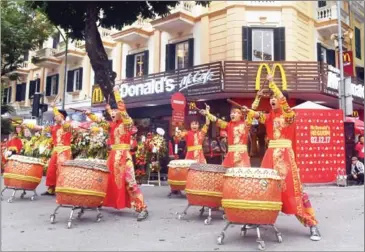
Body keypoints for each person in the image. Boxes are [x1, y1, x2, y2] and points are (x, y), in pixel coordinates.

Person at [247, 74, 321, 241]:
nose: (273, 99)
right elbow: (253, 116)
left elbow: (285, 106)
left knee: (294, 191)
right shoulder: (269, 117)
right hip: (269, 156)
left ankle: (312, 224)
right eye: (271, 97)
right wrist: (252, 106)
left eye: (276, 97)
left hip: (285, 158)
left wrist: (273, 83)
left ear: (283, 100)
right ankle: (257, 218)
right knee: (263, 187)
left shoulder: (290, 115)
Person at [85, 86, 148, 221]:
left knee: (130, 181)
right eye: (111, 111)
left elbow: (123, 110)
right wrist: (89, 114)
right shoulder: (111, 125)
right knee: (106, 181)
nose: (112, 113)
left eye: (115, 111)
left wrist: (116, 93)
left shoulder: (127, 123)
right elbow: (100, 121)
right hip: (113, 157)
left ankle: (142, 207)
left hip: (125, 157)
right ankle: (100, 202)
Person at [23, 103, 72, 196]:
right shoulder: (53, 127)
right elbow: (39, 128)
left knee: (62, 170)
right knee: (52, 170)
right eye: (55, 116)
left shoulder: (67, 126)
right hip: (56, 151)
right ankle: (51, 189)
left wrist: (54, 107)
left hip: (64, 151)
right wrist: (27, 124)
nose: (54, 118)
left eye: (56, 116)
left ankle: (62, 189)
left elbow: (59, 119)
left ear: (62, 117)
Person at [201, 104, 254, 168]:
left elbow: (251, 114)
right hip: (230, 155)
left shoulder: (246, 124)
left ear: (240, 114)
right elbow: (217, 120)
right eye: (231, 113)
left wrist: (247, 110)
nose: (232, 114)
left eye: (234, 113)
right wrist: (208, 114)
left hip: (242, 155)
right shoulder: (228, 125)